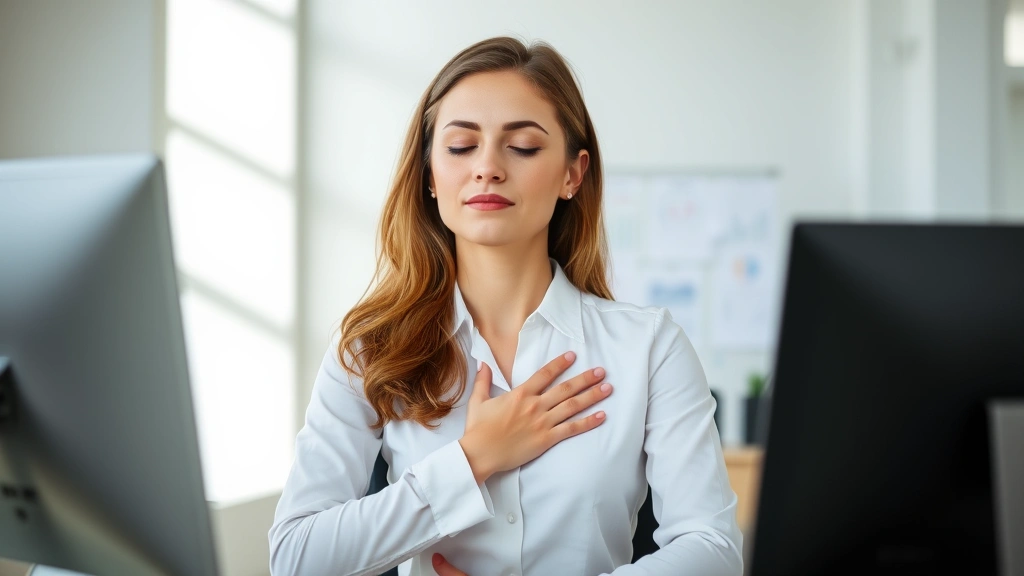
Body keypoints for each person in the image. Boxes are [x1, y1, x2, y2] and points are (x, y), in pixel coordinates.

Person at [269, 36, 742, 576]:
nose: (488, 168)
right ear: (428, 174)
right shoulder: (369, 347)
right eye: (461, 146)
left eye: (522, 147)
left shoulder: (650, 346)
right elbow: (296, 558)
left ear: (573, 173)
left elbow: (713, 549)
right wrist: (472, 461)